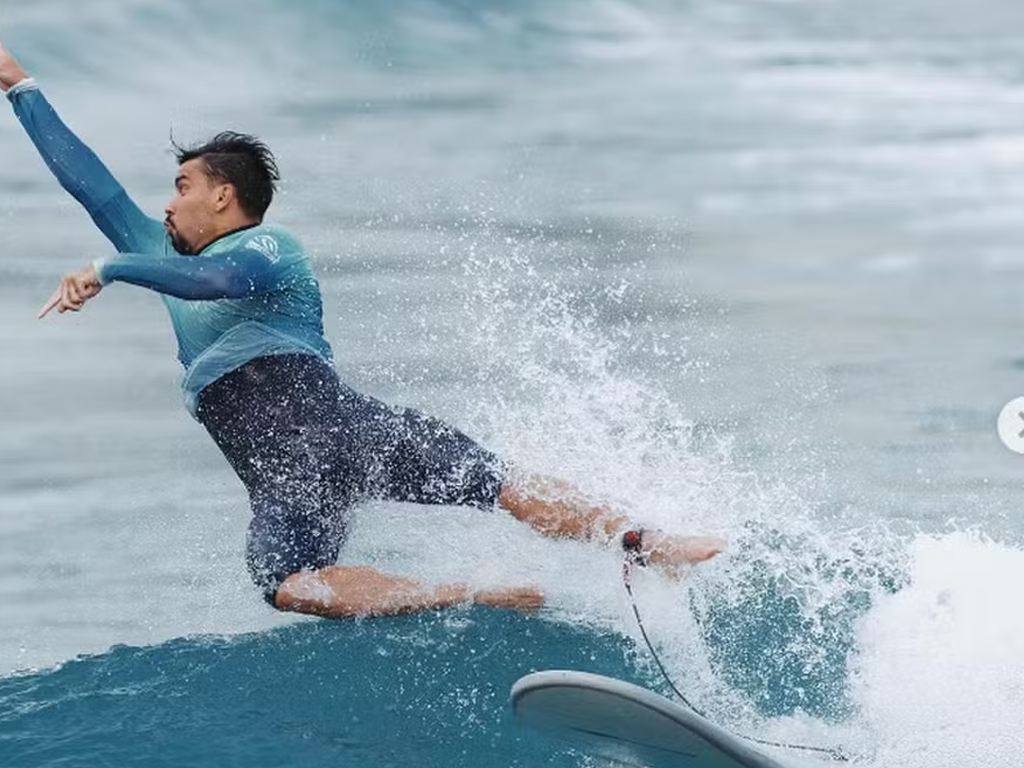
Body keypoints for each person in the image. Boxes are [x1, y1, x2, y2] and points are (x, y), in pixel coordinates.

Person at [0, 39, 725, 619]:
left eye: (182, 187)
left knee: (495, 484)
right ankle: (471, 592)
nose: (168, 204)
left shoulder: (269, 247)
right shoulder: (159, 254)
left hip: (326, 428)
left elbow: (218, 283)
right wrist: (18, 85)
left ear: (224, 197)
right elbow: (86, 179)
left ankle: (644, 540)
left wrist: (111, 267)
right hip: (289, 473)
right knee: (292, 584)